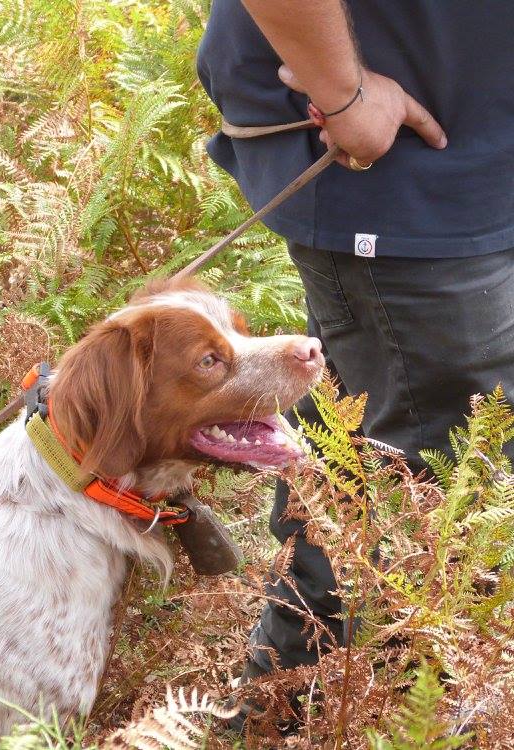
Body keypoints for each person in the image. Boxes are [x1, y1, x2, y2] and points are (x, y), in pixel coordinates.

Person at [195, 0, 514, 732]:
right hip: (402, 160)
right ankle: (318, 721)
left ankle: (282, 717)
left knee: (358, 461)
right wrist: (345, 95)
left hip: (478, 149)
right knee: (440, 495)